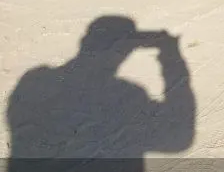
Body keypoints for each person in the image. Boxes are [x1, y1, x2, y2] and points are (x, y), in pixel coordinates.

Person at [6, 16, 195, 172]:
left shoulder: (35, 79)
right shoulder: (129, 92)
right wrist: (170, 53)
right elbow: (180, 141)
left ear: (84, 42)